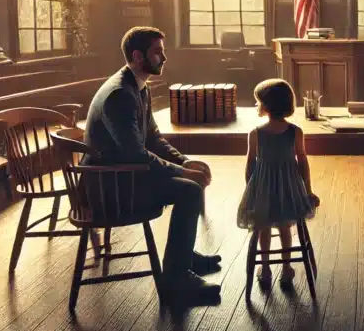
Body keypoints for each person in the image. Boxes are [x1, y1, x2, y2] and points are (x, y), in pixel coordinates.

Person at [83, 26, 221, 300]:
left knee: (187, 184)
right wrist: (184, 173)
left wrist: (186, 162)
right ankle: (176, 277)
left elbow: (153, 138)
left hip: (126, 175)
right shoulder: (120, 95)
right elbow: (135, 153)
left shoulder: (137, 85)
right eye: (157, 52)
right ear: (137, 56)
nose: (164, 58)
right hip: (111, 186)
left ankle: (183, 258)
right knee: (189, 190)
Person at [237, 79, 320, 291]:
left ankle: (264, 268)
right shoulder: (295, 132)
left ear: (267, 106)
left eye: (259, 102)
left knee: (263, 227)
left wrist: (251, 189)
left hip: (263, 190)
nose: (257, 106)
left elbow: (250, 165)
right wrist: (307, 190)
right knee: (285, 227)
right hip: (289, 189)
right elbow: (303, 162)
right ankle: (286, 267)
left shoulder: (255, 133)